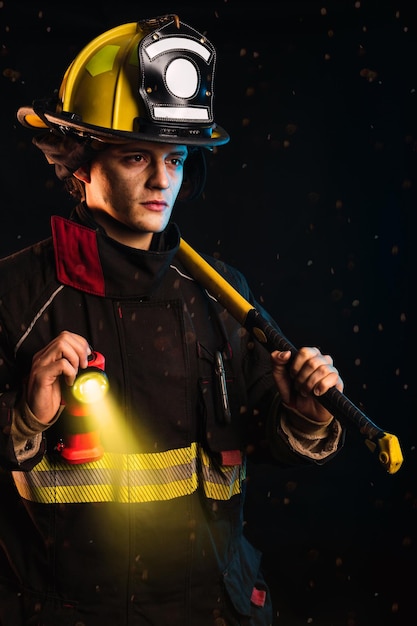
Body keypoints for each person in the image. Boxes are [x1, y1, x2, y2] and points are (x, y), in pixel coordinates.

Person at [0, 14, 345, 626]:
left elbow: (263, 438)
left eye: (177, 158)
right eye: (137, 157)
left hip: (216, 612)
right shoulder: (17, 295)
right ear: (80, 163)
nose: (163, 180)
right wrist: (24, 417)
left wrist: (303, 416)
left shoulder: (221, 293)